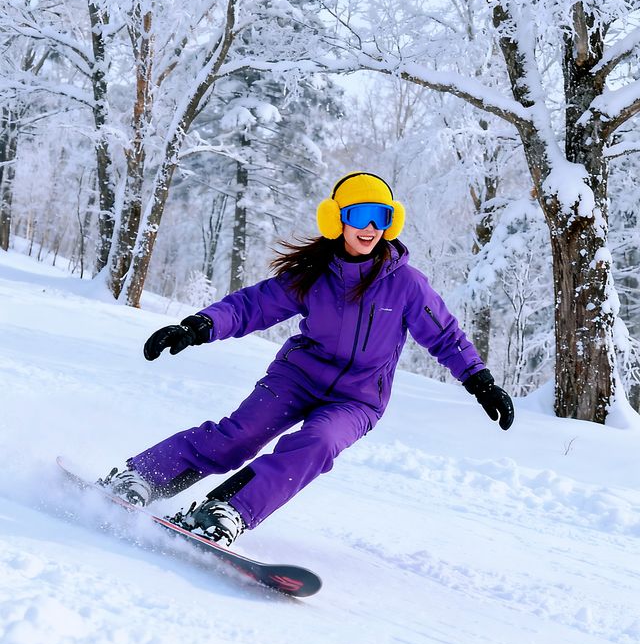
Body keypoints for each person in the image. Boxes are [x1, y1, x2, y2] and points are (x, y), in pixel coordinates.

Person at [100, 172, 514, 546]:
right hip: (297, 377)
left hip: (358, 398)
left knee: (318, 443)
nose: (371, 228)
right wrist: (198, 326)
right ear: (338, 220)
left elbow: (444, 335)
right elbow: (252, 306)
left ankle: (226, 512)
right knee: (238, 436)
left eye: (382, 217)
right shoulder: (313, 274)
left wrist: (480, 381)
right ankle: (141, 476)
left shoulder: (406, 284)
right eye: (361, 215)